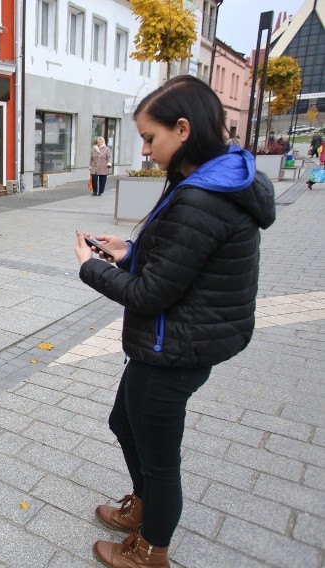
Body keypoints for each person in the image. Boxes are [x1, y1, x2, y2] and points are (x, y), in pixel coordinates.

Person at [74, 75, 275, 567]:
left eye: (149, 138)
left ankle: (151, 550)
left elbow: (149, 294)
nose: (144, 151)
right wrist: (131, 251)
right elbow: (180, 263)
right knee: (124, 420)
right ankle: (142, 510)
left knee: (160, 460)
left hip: (175, 349)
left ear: (182, 129)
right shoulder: (208, 181)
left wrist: (92, 267)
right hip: (176, 339)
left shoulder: (202, 197)